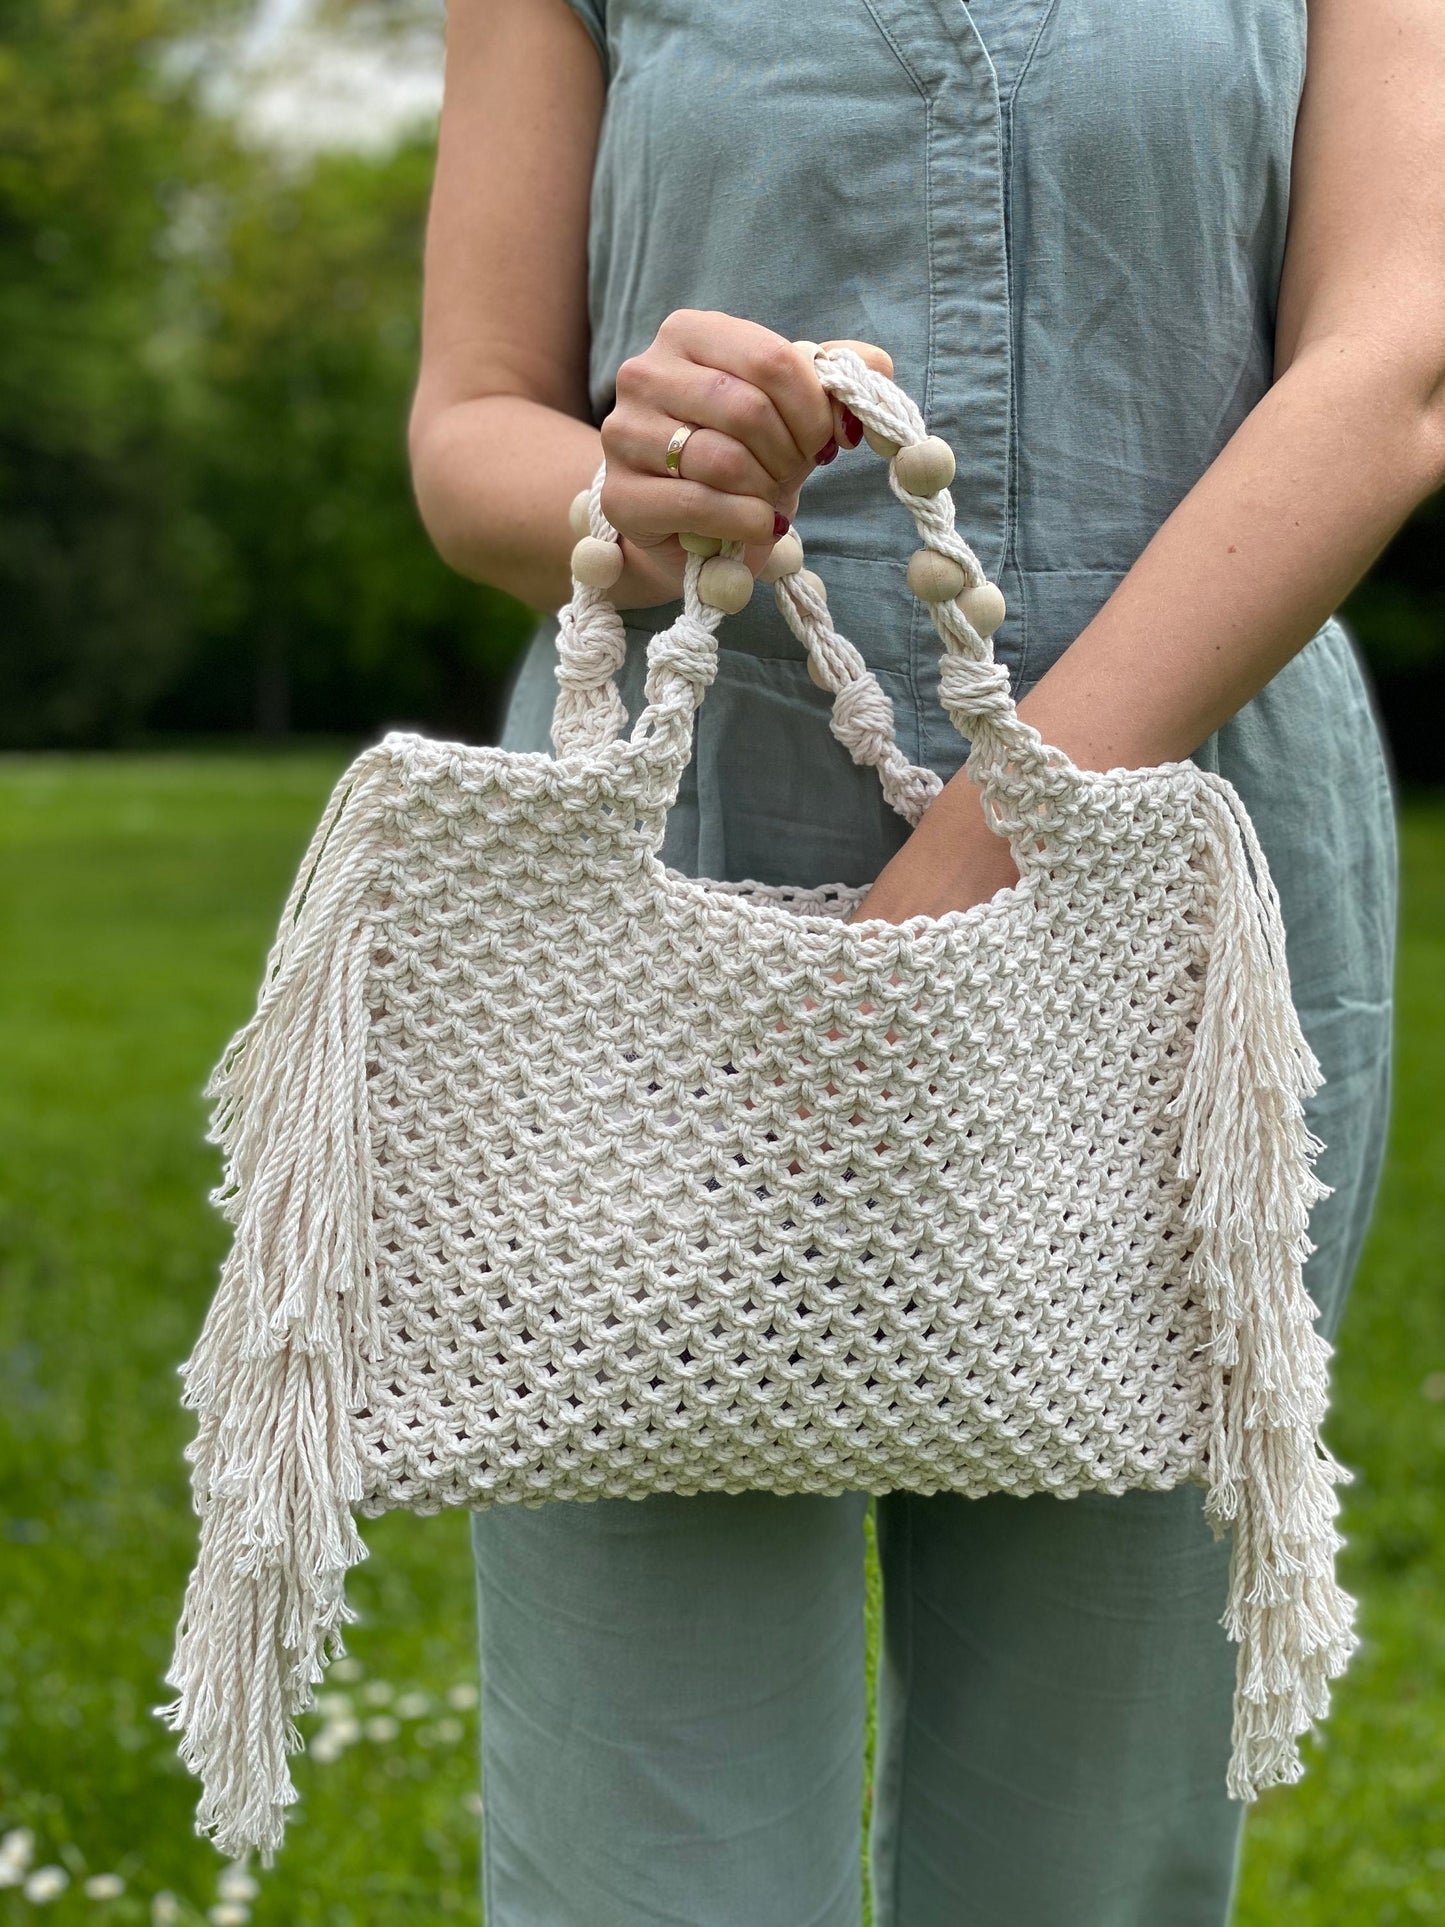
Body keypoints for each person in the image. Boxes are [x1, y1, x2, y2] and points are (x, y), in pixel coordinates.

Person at [406, 1, 1442, 1921]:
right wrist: (642, 488)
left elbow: (1395, 364)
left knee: (1089, 1836)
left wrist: (959, 895)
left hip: (1167, 908)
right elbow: (470, 427)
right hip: (668, 903)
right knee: (647, 1845)